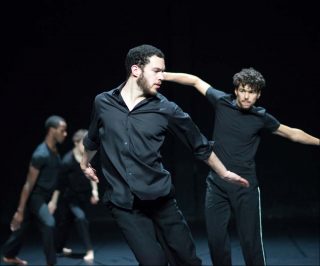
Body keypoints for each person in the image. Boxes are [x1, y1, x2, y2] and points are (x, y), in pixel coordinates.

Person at [80, 44, 249, 266]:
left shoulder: (166, 108)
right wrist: (84, 164)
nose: (163, 77)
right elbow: (92, 139)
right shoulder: (103, 102)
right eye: (157, 71)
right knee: (154, 262)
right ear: (136, 70)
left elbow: (199, 144)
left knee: (188, 261)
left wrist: (224, 172)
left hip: (161, 200)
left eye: (164, 71)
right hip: (125, 204)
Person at [163, 68, 320, 266]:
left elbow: (292, 134)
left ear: (258, 94)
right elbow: (195, 80)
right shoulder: (222, 102)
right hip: (217, 184)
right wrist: (163, 75)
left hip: (245, 188)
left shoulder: (261, 117)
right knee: (216, 240)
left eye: (252, 92)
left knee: (250, 242)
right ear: (236, 90)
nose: (246, 96)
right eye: (243, 90)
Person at [1, 115, 67, 266]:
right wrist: (20, 210)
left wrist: (54, 201)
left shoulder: (55, 151)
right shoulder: (40, 154)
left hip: (47, 197)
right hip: (36, 197)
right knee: (49, 224)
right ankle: (51, 262)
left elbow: (57, 179)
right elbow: (28, 185)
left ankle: (9, 255)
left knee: (21, 229)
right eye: (62, 130)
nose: (65, 134)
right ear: (52, 130)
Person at [49, 129, 99, 262]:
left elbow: (91, 175)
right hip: (69, 199)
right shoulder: (67, 161)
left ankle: (58, 248)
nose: (87, 147)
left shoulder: (86, 157)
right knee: (81, 219)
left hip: (82, 197)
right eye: (84, 144)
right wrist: (53, 202)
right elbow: (59, 185)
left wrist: (95, 191)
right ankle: (89, 250)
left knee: (65, 223)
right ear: (76, 142)